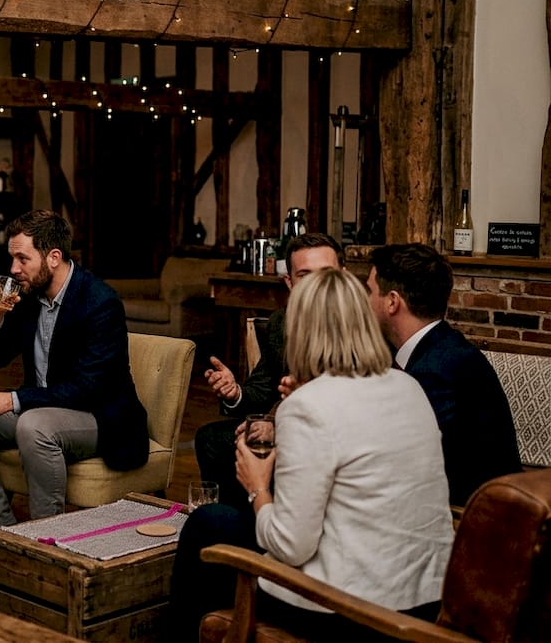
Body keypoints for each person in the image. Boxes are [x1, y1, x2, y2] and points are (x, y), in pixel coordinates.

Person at [171, 268, 455, 642]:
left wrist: (257, 487)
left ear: (302, 330)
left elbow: (291, 546)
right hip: (425, 601)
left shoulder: (308, 405)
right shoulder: (409, 386)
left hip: (350, 610)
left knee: (208, 522)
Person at [0, 210, 148, 525]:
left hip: (99, 417)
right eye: (12, 258)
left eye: (22, 258)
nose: (13, 268)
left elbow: (87, 388)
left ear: (53, 257)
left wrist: (11, 400)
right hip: (40, 408)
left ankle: (46, 534)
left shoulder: (100, 301)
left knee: (33, 425)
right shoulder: (29, 295)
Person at [195, 232, 343, 508]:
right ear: (290, 282)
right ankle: (236, 523)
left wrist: (278, 425)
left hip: (334, 434)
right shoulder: (282, 322)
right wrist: (235, 392)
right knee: (212, 439)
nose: (316, 285)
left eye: (325, 274)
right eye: (305, 275)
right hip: (288, 421)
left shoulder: (359, 326)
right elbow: (263, 389)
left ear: (342, 277)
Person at [367, 243, 521, 506]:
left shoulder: (436, 371)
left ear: (392, 301)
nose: (365, 302)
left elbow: (396, 458)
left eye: (369, 291)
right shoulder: (438, 348)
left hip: (469, 517)